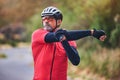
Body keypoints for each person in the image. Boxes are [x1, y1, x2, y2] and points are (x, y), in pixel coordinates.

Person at [31, 6, 106, 80]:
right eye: (44, 19)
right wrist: (91, 32)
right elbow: (54, 36)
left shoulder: (69, 39)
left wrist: (64, 41)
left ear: (59, 21)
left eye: (50, 19)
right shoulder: (37, 34)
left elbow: (75, 61)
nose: (46, 21)